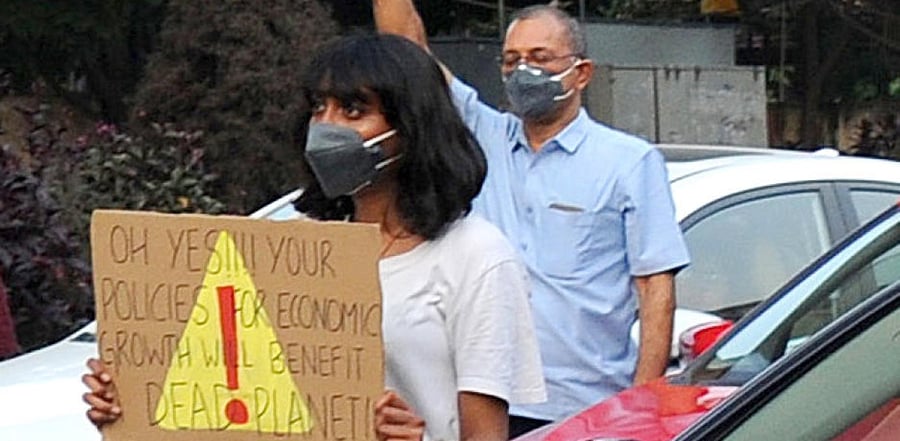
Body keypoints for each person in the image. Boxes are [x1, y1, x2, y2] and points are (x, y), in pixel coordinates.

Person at [82, 34, 546, 441]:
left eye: (353, 109)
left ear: (412, 127)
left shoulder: (476, 256)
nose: (327, 127)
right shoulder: (291, 250)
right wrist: (131, 400)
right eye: (317, 108)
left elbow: (485, 434)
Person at [373, 1, 691, 436]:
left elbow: (655, 288)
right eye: (511, 60)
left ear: (582, 73)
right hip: (483, 402)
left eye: (540, 58)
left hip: (584, 409)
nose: (524, 71)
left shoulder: (629, 163)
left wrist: (641, 402)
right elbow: (408, 50)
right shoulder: (482, 139)